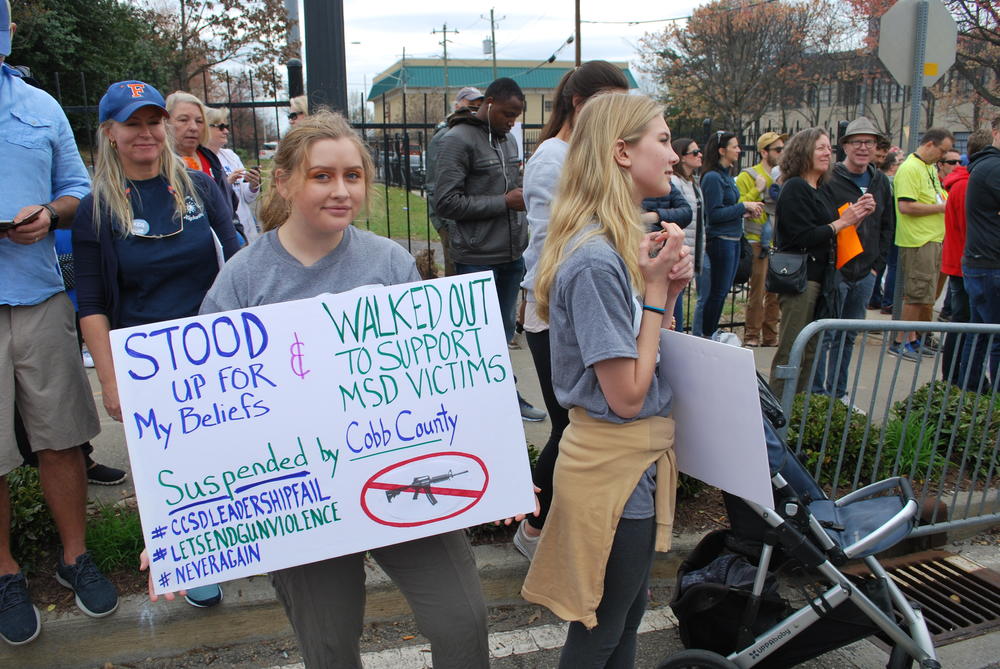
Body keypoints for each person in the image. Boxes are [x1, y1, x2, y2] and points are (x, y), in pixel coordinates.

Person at [191, 110, 491, 669]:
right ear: (283, 181)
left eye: (352, 175)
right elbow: (209, 415)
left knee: (462, 620)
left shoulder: (390, 263)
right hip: (301, 496)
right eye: (321, 175)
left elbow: (439, 382)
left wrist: (491, 471)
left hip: (401, 474)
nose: (341, 190)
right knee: (328, 646)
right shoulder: (243, 279)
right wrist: (181, 529)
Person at [521, 92, 691, 667]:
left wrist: (666, 291)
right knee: (602, 628)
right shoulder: (596, 259)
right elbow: (625, 396)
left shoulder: (616, 246)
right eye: (663, 140)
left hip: (627, 465)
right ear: (622, 151)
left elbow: (647, 347)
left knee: (623, 620)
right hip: (610, 467)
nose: (674, 155)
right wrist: (657, 293)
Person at [74, 80, 241, 610]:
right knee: (165, 466)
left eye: (152, 121)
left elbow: (239, 260)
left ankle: (240, 542)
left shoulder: (199, 187)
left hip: (213, 348)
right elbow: (92, 302)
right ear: (110, 133)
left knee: (224, 453)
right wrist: (109, 380)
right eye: (132, 123)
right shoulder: (95, 208)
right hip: (145, 359)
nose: (145, 133)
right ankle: (185, 558)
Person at [0, 2, 118, 645]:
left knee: (62, 435)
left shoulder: (40, 106)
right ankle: (4, 571)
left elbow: (77, 190)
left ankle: (75, 556)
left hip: (40, 296)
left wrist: (50, 213)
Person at [514, 61, 629, 561]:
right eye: (609, 106)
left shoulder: (585, 154)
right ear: (579, 105)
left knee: (580, 424)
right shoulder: (552, 160)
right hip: (552, 309)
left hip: (578, 306)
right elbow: (559, 237)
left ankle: (553, 526)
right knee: (569, 426)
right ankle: (532, 528)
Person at [433, 77, 545, 422]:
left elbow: (511, 189)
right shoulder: (457, 140)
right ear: (490, 103)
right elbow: (445, 202)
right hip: (477, 257)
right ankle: (490, 403)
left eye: (517, 115)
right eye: (508, 113)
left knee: (503, 333)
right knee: (479, 340)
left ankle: (501, 397)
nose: (512, 121)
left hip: (512, 254)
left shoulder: (508, 140)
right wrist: (502, 201)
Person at [768, 128, 875, 399]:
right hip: (802, 281)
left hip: (823, 278)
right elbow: (800, 236)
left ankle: (797, 410)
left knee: (812, 349)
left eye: (829, 148)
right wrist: (842, 221)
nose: (828, 153)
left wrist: (856, 217)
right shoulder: (795, 187)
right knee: (793, 349)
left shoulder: (821, 189)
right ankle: (776, 414)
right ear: (804, 151)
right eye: (821, 148)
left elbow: (831, 231)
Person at [811, 118, 894, 405]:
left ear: (876, 148)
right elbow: (821, 221)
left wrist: (876, 266)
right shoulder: (830, 178)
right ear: (845, 146)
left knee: (848, 336)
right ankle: (817, 395)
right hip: (837, 269)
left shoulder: (880, 180)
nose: (862, 147)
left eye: (869, 142)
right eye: (856, 142)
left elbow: (887, 225)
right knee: (826, 334)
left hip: (865, 272)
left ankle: (837, 394)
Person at [889, 128, 954, 360]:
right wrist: (942, 208)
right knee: (916, 294)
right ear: (929, 144)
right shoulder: (910, 168)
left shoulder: (928, 168)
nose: (943, 157)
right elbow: (906, 206)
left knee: (924, 294)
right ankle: (900, 340)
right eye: (942, 151)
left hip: (932, 238)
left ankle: (913, 338)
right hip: (918, 240)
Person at [700, 131, 764, 339]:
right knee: (717, 293)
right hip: (721, 240)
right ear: (721, 150)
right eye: (735, 146)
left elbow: (728, 208)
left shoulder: (726, 176)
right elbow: (715, 213)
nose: (739, 150)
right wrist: (743, 205)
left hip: (734, 239)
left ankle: (711, 334)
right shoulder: (712, 178)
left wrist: (745, 210)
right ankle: (708, 335)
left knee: (723, 291)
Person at [941, 129, 991, 387]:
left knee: (966, 324)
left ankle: (959, 377)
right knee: (966, 325)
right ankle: (956, 378)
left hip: (962, 261)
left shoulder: (964, 183)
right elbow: (972, 228)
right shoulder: (966, 185)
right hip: (965, 264)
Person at [164, 90, 245, 242]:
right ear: (166, 123)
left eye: (199, 121)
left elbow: (230, 204)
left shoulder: (211, 160)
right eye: (183, 120)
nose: (193, 127)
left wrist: (238, 232)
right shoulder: (160, 167)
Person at [426, 86, 484, 277]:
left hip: (472, 219)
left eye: (479, 105)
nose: (475, 109)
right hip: (450, 220)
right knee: (455, 273)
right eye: (471, 105)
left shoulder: (478, 134)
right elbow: (434, 183)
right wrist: (444, 223)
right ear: (457, 105)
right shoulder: (444, 137)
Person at [960, 116, 1000, 389]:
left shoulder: (986, 165)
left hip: (983, 264)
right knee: (992, 336)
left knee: (979, 334)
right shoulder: (993, 167)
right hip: (989, 266)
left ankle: (970, 395)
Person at [736, 131, 786, 347]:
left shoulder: (783, 175)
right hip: (756, 239)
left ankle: (770, 335)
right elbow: (738, 204)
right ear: (764, 152)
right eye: (777, 149)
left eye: (783, 149)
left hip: (778, 240)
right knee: (757, 291)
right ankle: (752, 335)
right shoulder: (749, 175)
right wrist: (757, 190)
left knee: (775, 292)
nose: (782, 153)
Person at [205, 107, 261, 243]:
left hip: (246, 231)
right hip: (224, 234)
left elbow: (247, 198)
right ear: (206, 128)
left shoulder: (230, 156)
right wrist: (225, 184)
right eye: (221, 127)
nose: (226, 131)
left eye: (227, 126)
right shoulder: (198, 160)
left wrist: (253, 185)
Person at [670, 138, 708, 336]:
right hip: (680, 251)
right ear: (681, 157)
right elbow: (683, 214)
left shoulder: (693, 182)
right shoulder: (674, 182)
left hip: (692, 250)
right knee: (674, 305)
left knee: (680, 301)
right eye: (694, 152)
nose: (700, 155)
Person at [870, 149, 904, 314]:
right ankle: (887, 301)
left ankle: (875, 298)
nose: (901, 165)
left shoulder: (880, 179)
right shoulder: (889, 181)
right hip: (892, 229)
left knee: (883, 265)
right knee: (892, 265)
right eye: (899, 163)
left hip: (887, 229)